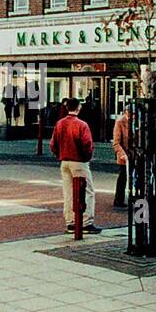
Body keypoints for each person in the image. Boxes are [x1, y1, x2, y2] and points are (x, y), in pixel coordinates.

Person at [50, 97, 101, 234]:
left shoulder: (60, 124)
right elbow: (87, 145)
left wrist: (59, 154)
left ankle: (70, 222)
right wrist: (86, 158)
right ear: (78, 108)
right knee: (88, 191)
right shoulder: (82, 125)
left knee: (68, 192)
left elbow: (53, 144)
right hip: (79, 161)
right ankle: (86, 222)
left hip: (64, 161)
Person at [112, 103, 132, 208]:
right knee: (123, 177)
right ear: (126, 112)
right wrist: (122, 154)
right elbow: (116, 142)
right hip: (125, 155)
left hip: (135, 154)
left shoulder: (136, 121)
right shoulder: (120, 122)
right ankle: (118, 199)